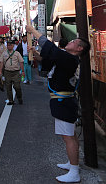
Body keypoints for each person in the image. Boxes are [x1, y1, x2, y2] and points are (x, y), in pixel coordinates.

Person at [26, 25, 90, 183]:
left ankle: (74, 171)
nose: (70, 41)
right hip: (63, 101)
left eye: (74, 41)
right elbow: (48, 59)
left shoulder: (70, 58)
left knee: (68, 137)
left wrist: (32, 31)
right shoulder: (67, 58)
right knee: (70, 135)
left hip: (64, 102)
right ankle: (72, 163)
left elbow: (50, 49)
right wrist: (34, 53)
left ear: (79, 48)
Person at [0, 40, 25, 105]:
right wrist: (0, 71)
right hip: (7, 72)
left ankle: (19, 97)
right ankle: (11, 100)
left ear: (13, 46)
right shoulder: (4, 53)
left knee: (17, 86)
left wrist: (23, 71)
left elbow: (21, 62)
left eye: (10, 45)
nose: (9, 46)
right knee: (8, 87)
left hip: (16, 72)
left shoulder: (17, 53)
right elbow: (1, 62)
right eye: (8, 45)